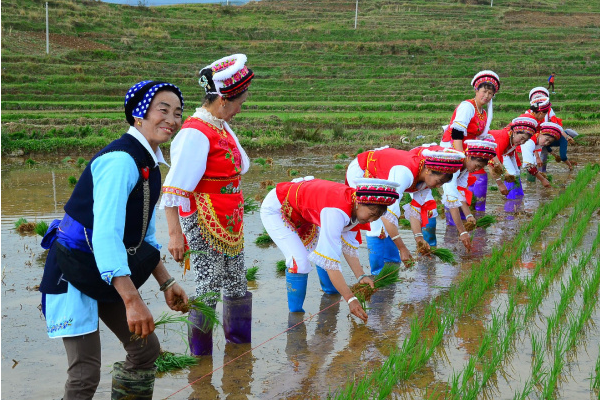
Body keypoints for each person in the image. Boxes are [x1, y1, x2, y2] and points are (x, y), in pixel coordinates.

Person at [38, 80, 188, 399]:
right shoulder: (121, 161)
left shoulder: (150, 164)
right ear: (138, 115)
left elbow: (142, 237)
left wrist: (166, 282)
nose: (172, 120)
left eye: (177, 113)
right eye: (163, 110)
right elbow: (105, 235)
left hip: (105, 271)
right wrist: (132, 301)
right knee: (84, 374)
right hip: (73, 269)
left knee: (146, 351)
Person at [160, 54, 254, 356]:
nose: (241, 108)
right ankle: (201, 357)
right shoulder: (194, 132)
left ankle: (239, 350)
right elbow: (173, 189)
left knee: (237, 282)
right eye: (240, 103)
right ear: (224, 100)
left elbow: (243, 165)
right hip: (203, 218)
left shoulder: (220, 125)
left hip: (230, 217)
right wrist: (175, 235)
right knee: (208, 286)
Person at [259, 177, 400, 321]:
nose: (371, 221)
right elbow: (330, 259)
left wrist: (361, 276)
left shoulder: (355, 208)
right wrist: (350, 298)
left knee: (321, 252)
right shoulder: (336, 211)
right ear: (359, 202)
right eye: (371, 214)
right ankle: (296, 318)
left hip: (305, 210)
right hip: (279, 207)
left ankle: (330, 300)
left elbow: (348, 247)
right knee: (300, 262)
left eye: (376, 217)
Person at [346, 146, 464, 273]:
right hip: (365, 170)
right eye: (439, 181)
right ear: (429, 170)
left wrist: (419, 239)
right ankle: (378, 274)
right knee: (376, 222)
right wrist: (402, 248)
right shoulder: (405, 173)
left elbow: (415, 211)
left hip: (385, 176)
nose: (439, 186)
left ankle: (392, 264)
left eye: (442, 184)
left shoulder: (425, 180)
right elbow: (388, 216)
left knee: (387, 224)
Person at [441, 70, 501, 212]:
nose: (486, 96)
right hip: (453, 149)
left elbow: (482, 137)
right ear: (476, 90)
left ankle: (463, 216)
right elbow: (456, 133)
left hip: (466, 151)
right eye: (484, 91)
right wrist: (461, 157)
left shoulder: (483, 113)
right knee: (451, 182)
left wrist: (495, 160)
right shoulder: (468, 107)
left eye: (490, 93)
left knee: (460, 184)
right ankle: (453, 218)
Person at [441, 139, 497, 251]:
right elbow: (451, 200)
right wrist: (462, 232)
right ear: (469, 157)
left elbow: (460, 193)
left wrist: (468, 216)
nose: (476, 170)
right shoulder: (454, 166)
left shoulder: (465, 168)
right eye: (476, 166)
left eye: (479, 168)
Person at [487, 117, 538, 197]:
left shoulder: (513, 140)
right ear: (514, 132)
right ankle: (511, 200)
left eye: (525, 141)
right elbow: (492, 165)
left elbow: (510, 157)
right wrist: (500, 184)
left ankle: (517, 197)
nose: (522, 142)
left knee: (515, 173)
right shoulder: (503, 137)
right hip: (474, 150)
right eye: (521, 138)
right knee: (511, 173)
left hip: (488, 154)